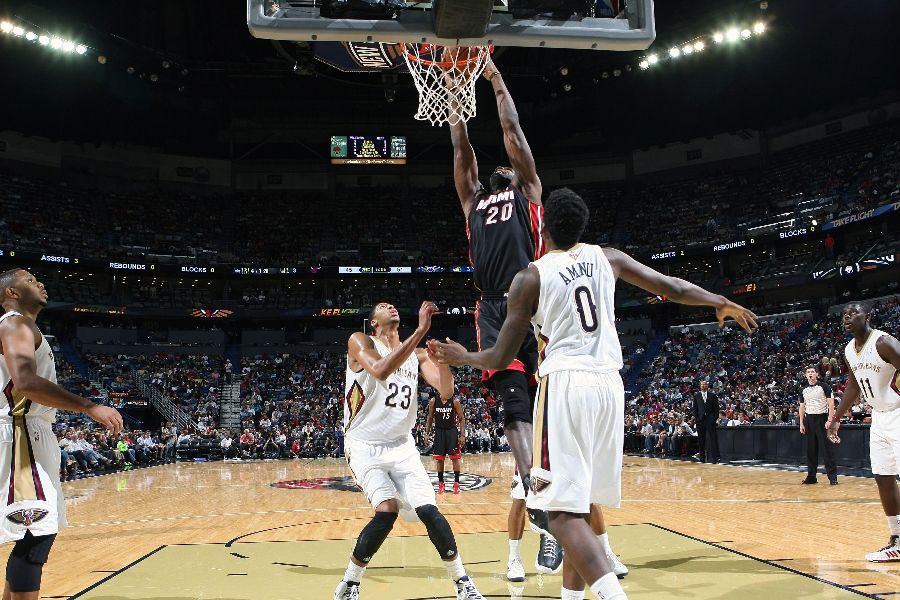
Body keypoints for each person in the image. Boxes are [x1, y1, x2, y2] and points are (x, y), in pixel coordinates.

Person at [434, 188, 757, 599]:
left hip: (566, 385)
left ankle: (611, 595)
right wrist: (721, 301)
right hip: (609, 385)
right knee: (581, 505)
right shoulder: (610, 258)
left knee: (560, 514)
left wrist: (462, 357)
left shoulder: (530, 277)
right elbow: (670, 286)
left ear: (542, 227)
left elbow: (500, 355)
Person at [448, 54, 561, 573]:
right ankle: (534, 485)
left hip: (537, 297)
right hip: (493, 305)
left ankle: (579, 523)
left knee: (556, 411)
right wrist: (455, 101)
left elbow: (512, 128)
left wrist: (493, 78)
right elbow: (462, 150)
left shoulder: (529, 192)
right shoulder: (473, 202)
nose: (501, 166)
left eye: (508, 166)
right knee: (513, 407)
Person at [333, 301, 484, 600]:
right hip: (365, 445)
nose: (390, 306)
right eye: (381, 306)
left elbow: (445, 392)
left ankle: (462, 583)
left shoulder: (415, 355)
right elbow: (380, 369)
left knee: (429, 510)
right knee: (386, 511)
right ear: (373, 322)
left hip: (402, 447)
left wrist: (441, 359)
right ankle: (349, 584)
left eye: (392, 305)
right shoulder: (360, 341)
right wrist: (420, 331)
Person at [0, 268, 123, 600]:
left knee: (33, 533)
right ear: (11, 292)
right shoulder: (15, 322)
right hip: (22, 429)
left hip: (27, 430)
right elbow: (24, 382)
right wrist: (88, 406)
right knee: (36, 531)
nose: (39, 283)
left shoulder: (23, 326)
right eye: (29, 280)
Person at [828, 302, 900, 562]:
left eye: (853, 313)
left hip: (898, 412)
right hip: (879, 418)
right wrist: (836, 418)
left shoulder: (883, 342)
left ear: (867, 316)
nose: (847, 318)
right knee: (883, 477)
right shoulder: (849, 350)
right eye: (844, 314)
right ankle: (897, 539)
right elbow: (853, 387)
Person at [798, 365, 837, 485]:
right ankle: (811, 477)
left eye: (812, 372)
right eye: (808, 372)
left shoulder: (824, 386)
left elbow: (831, 405)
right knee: (811, 450)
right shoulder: (803, 389)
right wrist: (801, 423)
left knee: (827, 449)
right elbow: (802, 407)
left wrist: (830, 420)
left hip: (822, 418)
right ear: (806, 375)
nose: (810, 373)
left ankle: (832, 477)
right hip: (809, 420)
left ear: (816, 374)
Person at [425, 394, 466, 494]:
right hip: (439, 431)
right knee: (439, 459)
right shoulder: (433, 401)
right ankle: (441, 483)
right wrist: (427, 434)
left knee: (455, 458)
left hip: (451, 431)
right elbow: (430, 418)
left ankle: (456, 483)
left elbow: (461, 418)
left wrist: (462, 435)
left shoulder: (455, 401)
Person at [692, 381, 720, 463]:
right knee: (701, 440)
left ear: (707, 386)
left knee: (713, 439)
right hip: (700, 421)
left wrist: (713, 419)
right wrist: (697, 419)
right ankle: (702, 458)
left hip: (710, 420)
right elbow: (695, 409)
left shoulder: (713, 396)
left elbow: (716, 409)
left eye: (705, 384)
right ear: (700, 386)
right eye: (702, 384)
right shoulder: (696, 396)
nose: (703, 386)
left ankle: (715, 458)